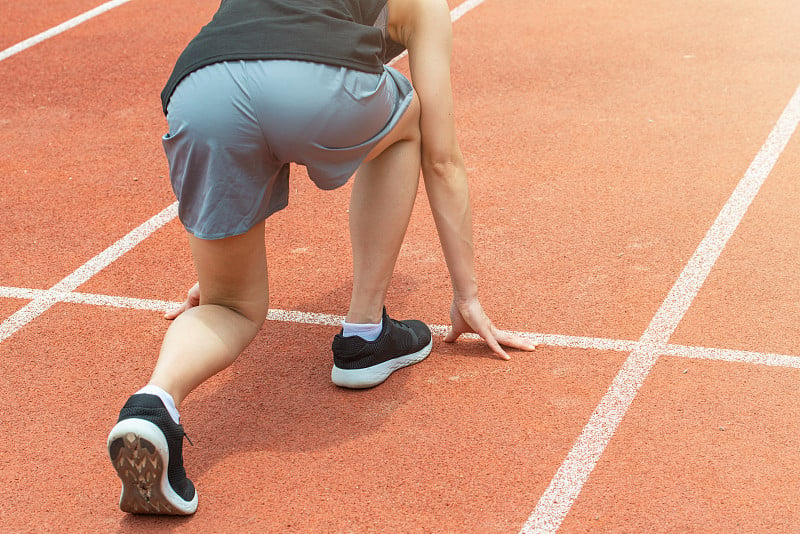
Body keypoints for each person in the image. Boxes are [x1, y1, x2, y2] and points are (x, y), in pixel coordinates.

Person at [107, 0, 535, 515]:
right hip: (313, 85)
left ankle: (154, 405)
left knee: (231, 306)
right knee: (410, 121)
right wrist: (467, 295)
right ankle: (365, 335)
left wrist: (220, 271)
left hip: (200, 88)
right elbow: (442, 160)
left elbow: (255, 61)